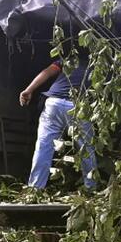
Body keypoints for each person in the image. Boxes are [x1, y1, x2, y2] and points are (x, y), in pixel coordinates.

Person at [19, 51, 98, 191]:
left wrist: (28, 90)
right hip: (78, 106)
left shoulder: (69, 60)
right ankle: (91, 189)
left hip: (53, 104)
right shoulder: (103, 65)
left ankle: (35, 189)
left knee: (43, 147)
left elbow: (47, 72)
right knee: (86, 149)